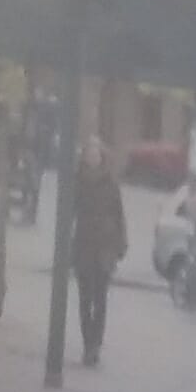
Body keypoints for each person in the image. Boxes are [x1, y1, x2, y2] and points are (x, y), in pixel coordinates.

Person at [68, 136, 128, 369]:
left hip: (105, 246)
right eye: (89, 155)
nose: (92, 158)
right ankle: (87, 343)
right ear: (84, 158)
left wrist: (120, 245)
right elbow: (69, 212)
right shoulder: (77, 181)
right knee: (85, 298)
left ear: (101, 157)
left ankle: (96, 345)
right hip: (84, 244)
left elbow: (119, 214)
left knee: (100, 298)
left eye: (96, 154)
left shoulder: (111, 183)